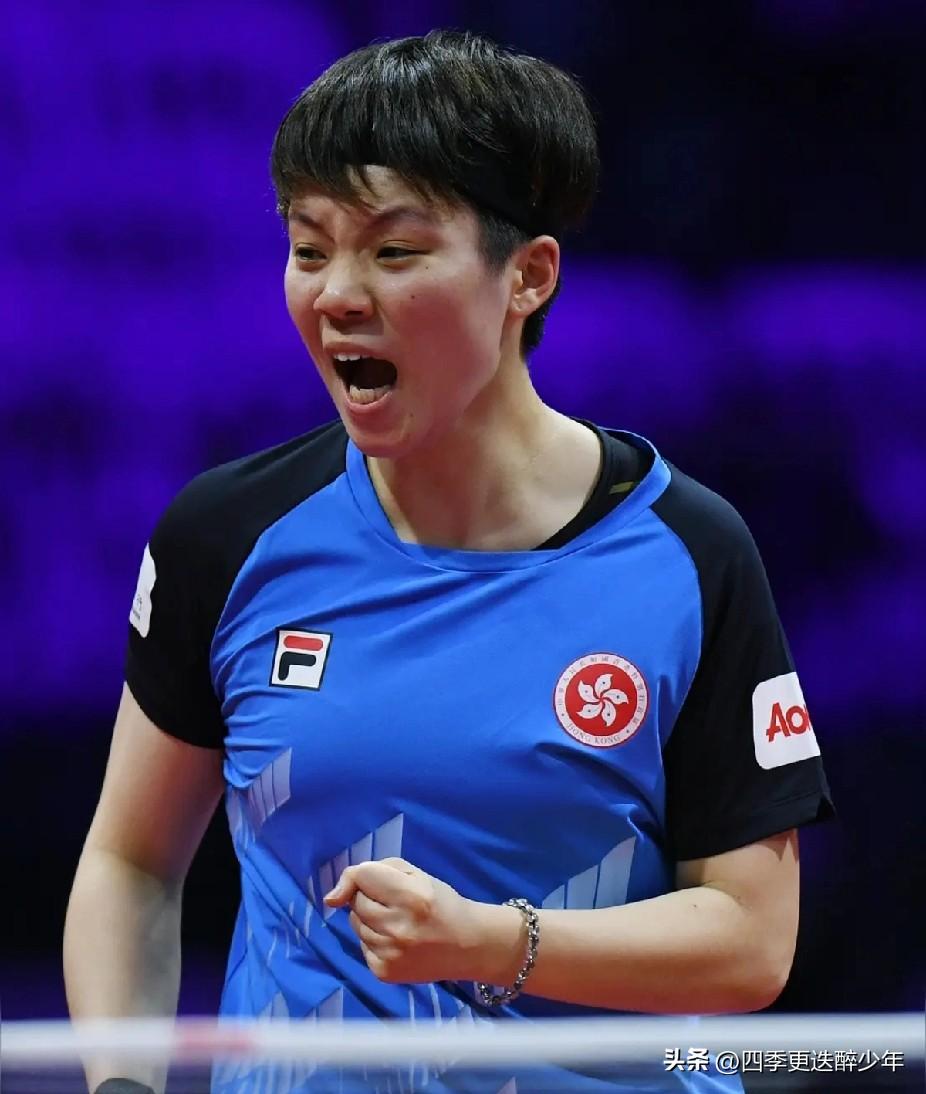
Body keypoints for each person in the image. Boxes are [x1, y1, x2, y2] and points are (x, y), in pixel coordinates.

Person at [64, 29, 834, 1094]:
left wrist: (493, 940)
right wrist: (119, 1083)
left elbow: (751, 941)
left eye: (393, 251)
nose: (337, 293)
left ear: (527, 277)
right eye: (309, 247)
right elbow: (131, 863)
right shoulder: (228, 536)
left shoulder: (687, 554)